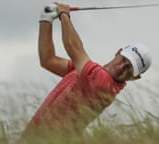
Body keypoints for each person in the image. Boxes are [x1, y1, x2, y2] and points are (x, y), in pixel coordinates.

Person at [24, 2, 152, 136]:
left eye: (129, 69)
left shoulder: (103, 84)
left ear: (135, 77)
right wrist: (46, 19)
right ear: (118, 52)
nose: (121, 67)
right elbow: (48, 61)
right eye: (124, 60)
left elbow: (73, 48)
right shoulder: (88, 73)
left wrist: (64, 15)